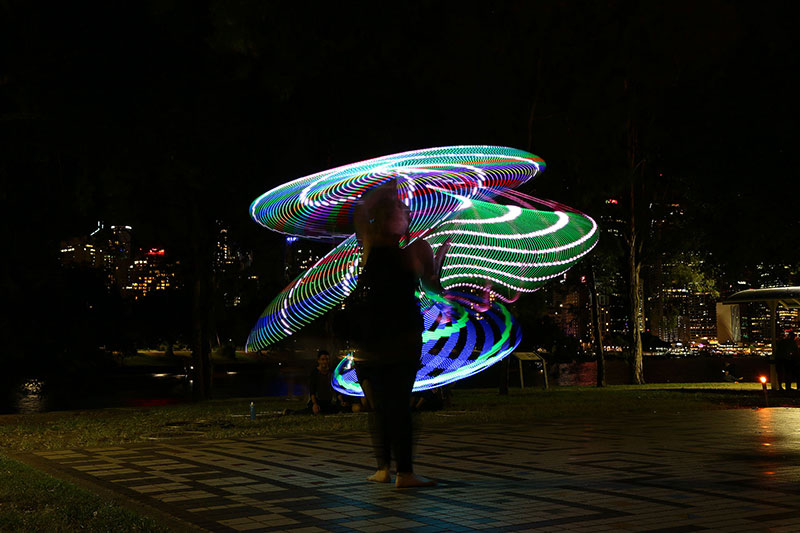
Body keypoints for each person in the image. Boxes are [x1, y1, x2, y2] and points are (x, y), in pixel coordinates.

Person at [351, 179, 450, 488]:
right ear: (381, 215)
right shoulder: (369, 243)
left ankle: (401, 472)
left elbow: (433, 289)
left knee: (395, 404)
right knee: (381, 406)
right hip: (370, 340)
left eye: (404, 206)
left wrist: (438, 273)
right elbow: (360, 210)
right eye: (396, 205)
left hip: (400, 338)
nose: (403, 209)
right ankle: (387, 469)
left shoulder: (418, 249)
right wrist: (388, 183)